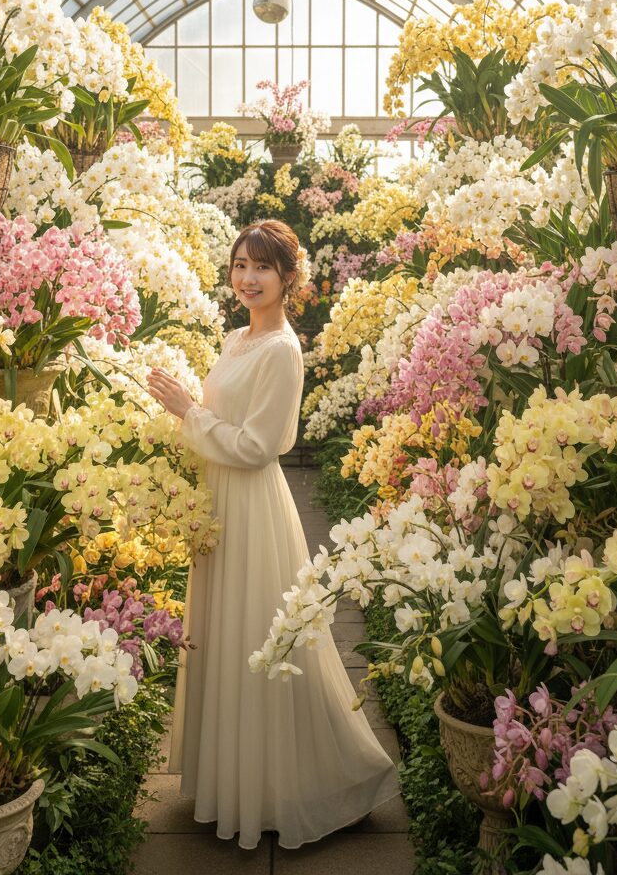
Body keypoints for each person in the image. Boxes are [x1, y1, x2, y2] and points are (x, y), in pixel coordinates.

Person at [147, 219, 399, 851]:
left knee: (265, 636)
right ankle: (235, 784)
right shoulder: (235, 339)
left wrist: (188, 412)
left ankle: (333, 776)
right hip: (217, 501)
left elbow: (260, 447)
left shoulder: (285, 350)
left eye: (262, 267)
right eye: (240, 265)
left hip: (252, 505)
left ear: (290, 276)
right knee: (227, 635)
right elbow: (220, 422)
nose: (248, 278)